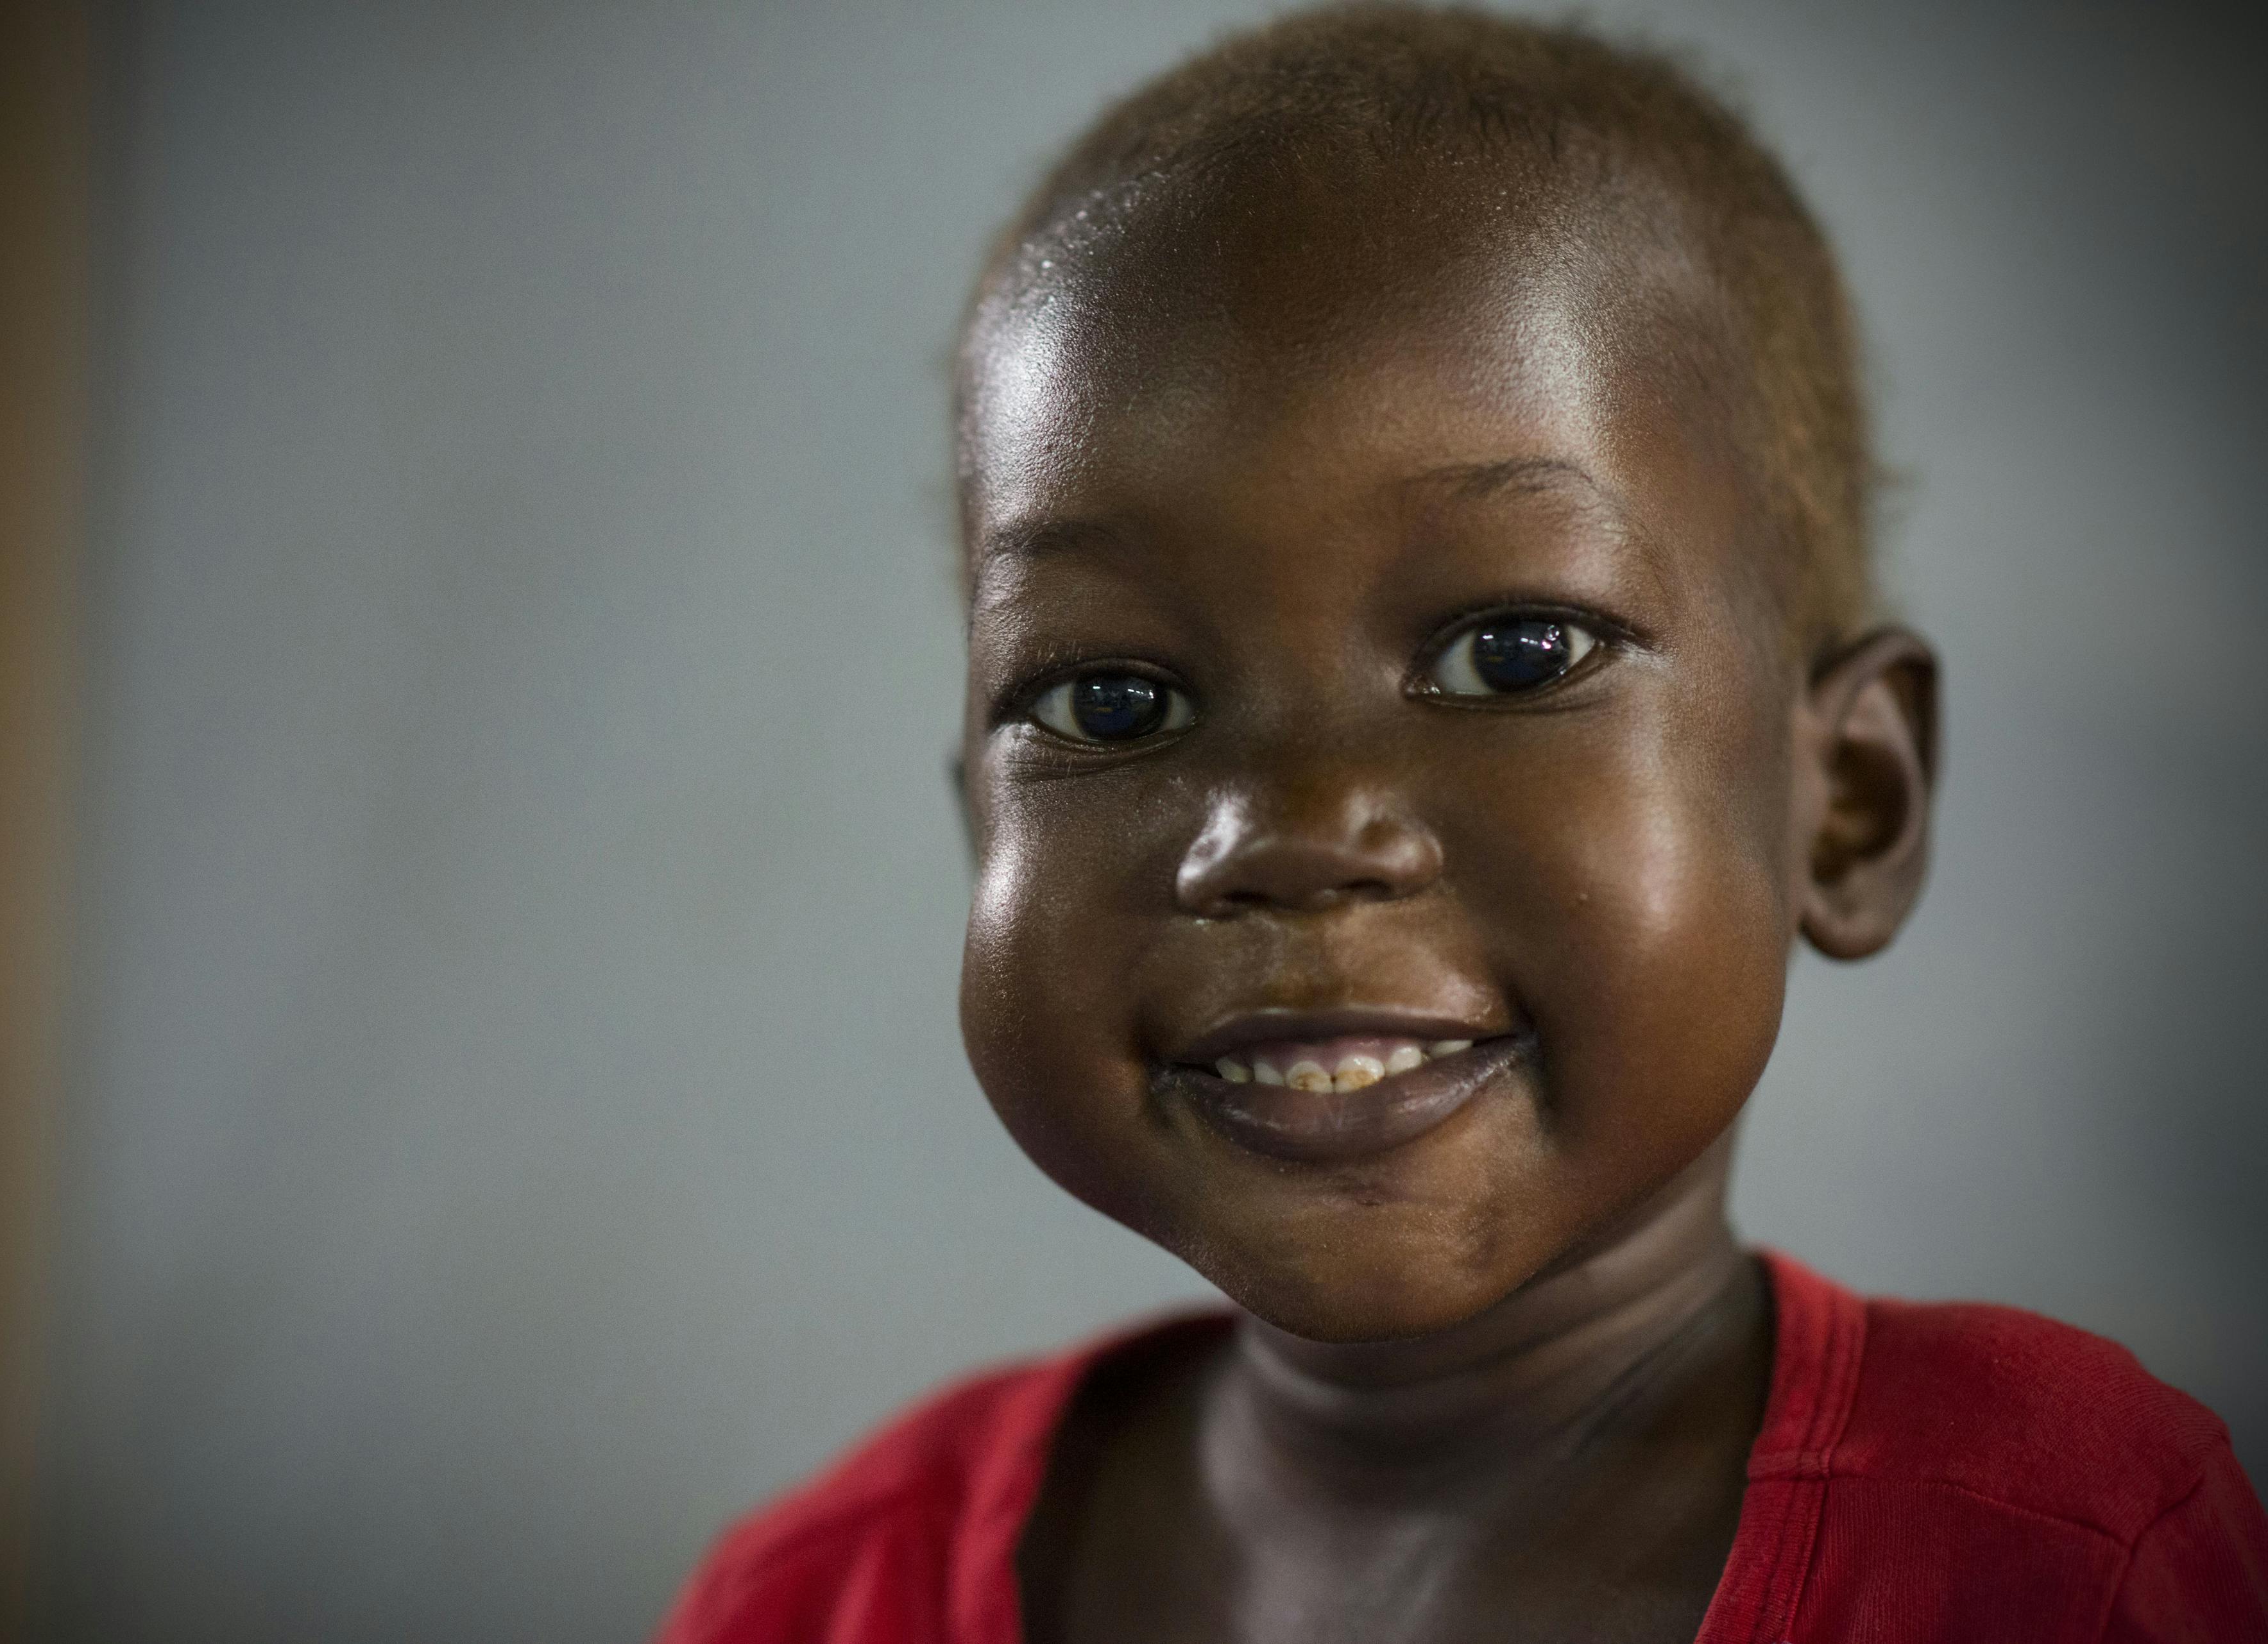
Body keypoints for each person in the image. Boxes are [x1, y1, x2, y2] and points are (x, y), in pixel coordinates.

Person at [655, 6, 2268, 1640]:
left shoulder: (2047, 1552)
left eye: (1513, 653)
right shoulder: (821, 1593)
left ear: (1848, 802)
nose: (1289, 831)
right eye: (1111, 703)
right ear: (980, 834)